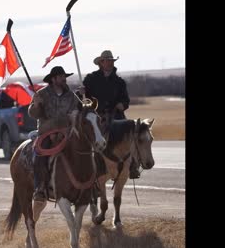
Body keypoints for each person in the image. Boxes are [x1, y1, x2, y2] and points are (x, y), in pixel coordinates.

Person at [80, 49, 141, 179]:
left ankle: (133, 166)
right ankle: (97, 166)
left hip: (116, 115)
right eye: (107, 61)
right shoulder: (91, 79)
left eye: (111, 61)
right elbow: (84, 98)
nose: (110, 63)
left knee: (131, 131)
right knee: (96, 137)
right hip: (97, 115)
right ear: (101, 63)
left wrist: (122, 105)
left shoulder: (119, 81)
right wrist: (81, 92)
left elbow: (126, 100)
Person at [28, 66, 79, 201]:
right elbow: (33, 114)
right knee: (39, 156)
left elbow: (79, 110)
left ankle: (91, 185)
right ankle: (40, 188)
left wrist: (83, 97)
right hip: (46, 132)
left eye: (64, 77)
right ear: (53, 79)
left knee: (84, 150)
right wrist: (36, 105)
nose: (64, 79)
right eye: (61, 76)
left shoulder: (71, 95)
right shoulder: (41, 94)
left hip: (66, 132)